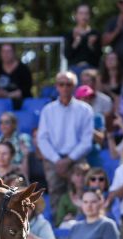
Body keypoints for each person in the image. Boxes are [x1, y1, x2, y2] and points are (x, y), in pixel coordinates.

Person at [36, 71, 94, 207]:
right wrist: (57, 160)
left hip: (77, 159)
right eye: (61, 84)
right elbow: (42, 139)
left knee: (81, 196)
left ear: (74, 86)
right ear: (56, 86)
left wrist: (69, 160)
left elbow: (87, 141)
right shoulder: (48, 110)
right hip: (53, 161)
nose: (65, 88)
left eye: (69, 84)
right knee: (56, 198)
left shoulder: (85, 110)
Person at [0, 43, 33, 111]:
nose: (6, 54)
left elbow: (25, 90)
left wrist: (8, 95)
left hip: (20, 103)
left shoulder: (23, 69)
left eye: (9, 51)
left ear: (14, 53)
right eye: (3, 51)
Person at [65, 4, 102, 70]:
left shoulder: (95, 33)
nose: (84, 16)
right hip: (74, 70)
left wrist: (91, 45)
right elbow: (67, 55)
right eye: (81, 13)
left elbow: (99, 56)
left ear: (90, 16)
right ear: (76, 15)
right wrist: (75, 42)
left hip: (92, 71)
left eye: (86, 13)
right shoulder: (70, 34)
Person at [54, 162, 90, 227]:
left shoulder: (94, 196)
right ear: (71, 178)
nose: (81, 178)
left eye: (84, 175)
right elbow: (58, 222)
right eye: (78, 175)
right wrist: (66, 219)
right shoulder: (65, 198)